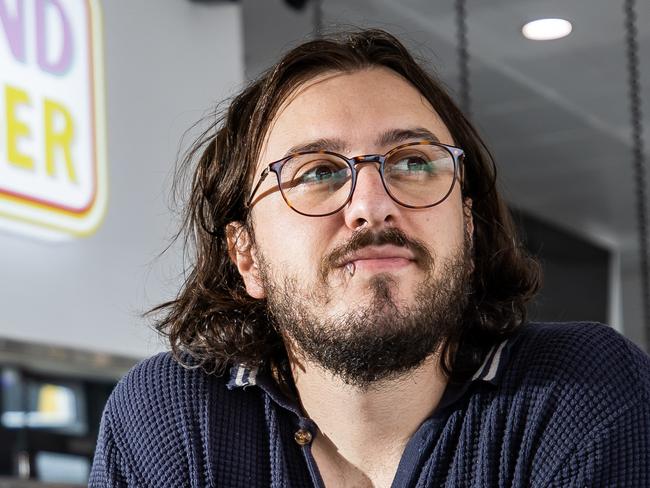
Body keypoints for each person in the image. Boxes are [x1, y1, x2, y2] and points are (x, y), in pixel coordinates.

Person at [90, 29, 650, 487]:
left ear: (468, 226)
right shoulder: (174, 420)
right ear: (247, 256)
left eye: (412, 162)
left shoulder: (585, 392)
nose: (372, 206)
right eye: (317, 173)